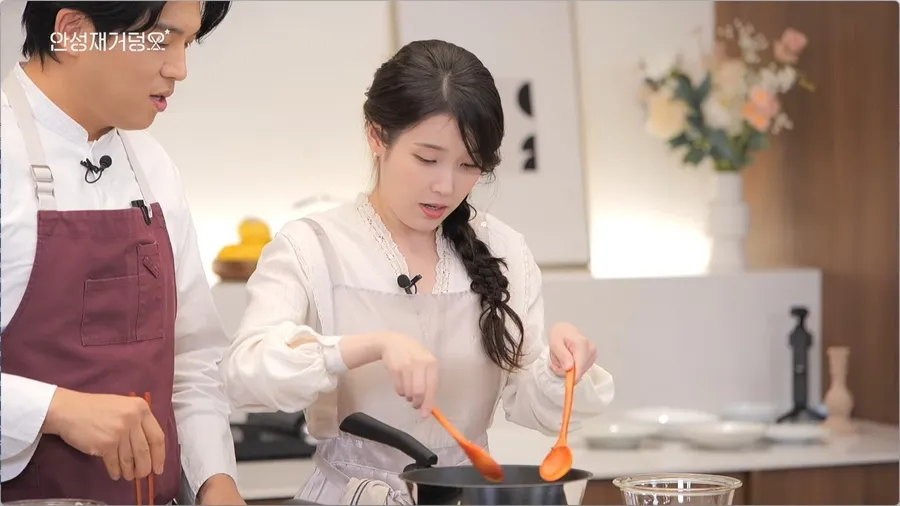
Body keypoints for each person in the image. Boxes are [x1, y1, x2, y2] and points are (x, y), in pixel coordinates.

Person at [221, 39, 616, 504]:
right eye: (427, 159)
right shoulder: (313, 246)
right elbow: (243, 376)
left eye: (468, 165)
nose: (445, 186)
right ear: (376, 136)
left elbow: (534, 406)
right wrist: (368, 346)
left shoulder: (505, 250)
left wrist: (558, 369)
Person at [0, 2, 245, 504]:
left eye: (187, 43)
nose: (179, 68)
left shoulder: (152, 166)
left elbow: (192, 358)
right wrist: (53, 409)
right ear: (73, 32)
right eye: (160, 39)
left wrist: (216, 481)